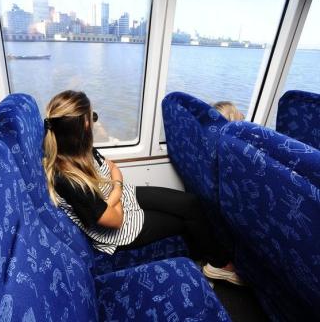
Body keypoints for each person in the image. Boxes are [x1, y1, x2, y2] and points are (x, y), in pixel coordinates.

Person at [43, 90, 243, 285]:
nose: (95, 123)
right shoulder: (69, 180)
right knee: (184, 223)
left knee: (190, 203)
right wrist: (117, 188)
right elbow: (116, 219)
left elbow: (112, 167)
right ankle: (216, 265)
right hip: (121, 230)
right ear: (85, 125)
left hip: (120, 198)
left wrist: (114, 193)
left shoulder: (79, 148)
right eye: (93, 118)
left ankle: (213, 261)